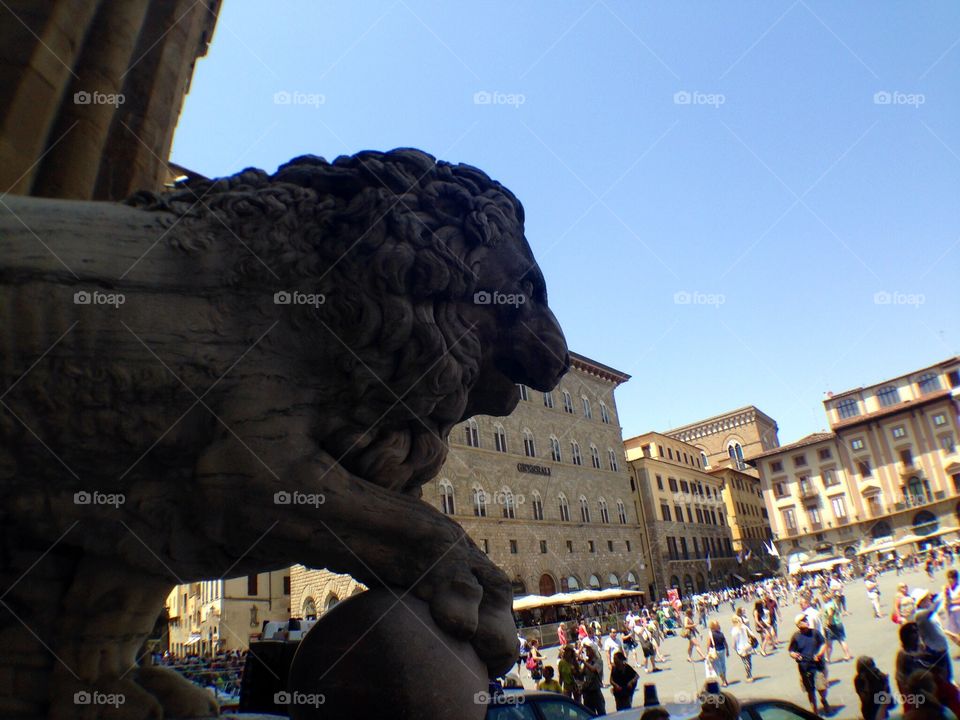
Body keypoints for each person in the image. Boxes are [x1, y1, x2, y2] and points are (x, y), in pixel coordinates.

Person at [788, 613, 830, 714]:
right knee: (810, 691)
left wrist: (820, 654)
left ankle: (823, 699)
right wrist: (795, 655)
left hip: (817, 665)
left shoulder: (815, 633)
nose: (806, 621)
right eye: (803, 620)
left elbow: (824, 644)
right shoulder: (796, 636)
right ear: (798, 625)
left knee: (822, 687)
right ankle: (814, 711)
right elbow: (791, 651)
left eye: (806, 619)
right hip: (804, 667)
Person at [913, 588, 953, 681]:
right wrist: (942, 594)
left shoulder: (928, 613)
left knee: (948, 676)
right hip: (934, 650)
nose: (929, 598)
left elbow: (945, 607)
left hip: (941, 647)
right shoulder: (920, 615)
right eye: (927, 598)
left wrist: (947, 596)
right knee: (943, 678)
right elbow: (933, 608)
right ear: (921, 601)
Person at [854, 656, 895, 720]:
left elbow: (886, 695)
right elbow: (865, 699)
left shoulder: (878, 675)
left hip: (877, 708)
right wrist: (866, 683)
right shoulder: (860, 680)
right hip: (872, 710)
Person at [820, 590, 852, 662]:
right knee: (840, 640)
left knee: (829, 642)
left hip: (833, 625)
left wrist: (828, 622)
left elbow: (830, 613)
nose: (822, 599)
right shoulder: (832, 603)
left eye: (823, 597)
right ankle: (847, 654)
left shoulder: (828, 605)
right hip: (838, 622)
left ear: (826, 597)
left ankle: (828, 658)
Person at [896, 622, 925, 697]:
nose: (917, 634)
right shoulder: (903, 654)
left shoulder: (922, 647)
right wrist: (905, 695)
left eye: (917, 631)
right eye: (914, 632)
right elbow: (899, 676)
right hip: (912, 690)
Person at [580, 644, 606, 716]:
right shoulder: (587, 662)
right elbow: (581, 674)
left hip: (595, 691)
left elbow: (594, 669)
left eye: (588, 649)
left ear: (593, 651)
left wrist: (583, 661)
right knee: (589, 714)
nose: (586, 651)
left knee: (601, 713)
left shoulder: (599, 661)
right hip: (587, 691)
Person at [730, 614, 755, 683]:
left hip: (740, 648)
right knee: (749, 661)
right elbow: (752, 635)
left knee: (745, 662)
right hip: (748, 645)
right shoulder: (744, 627)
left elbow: (734, 641)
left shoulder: (734, 630)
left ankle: (749, 676)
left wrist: (734, 648)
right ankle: (749, 674)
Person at [705, 619, 730, 687]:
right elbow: (725, 643)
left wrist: (707, 653)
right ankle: (725, 679)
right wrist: (727, 650)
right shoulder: (721, 634)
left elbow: (708, 644)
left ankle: (724, 681)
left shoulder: (710, 635)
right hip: (722, 650)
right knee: (723, 665)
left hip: (715, 652)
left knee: (718, 667)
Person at [944, 569, 960, 637]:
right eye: (948, 579)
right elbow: (946, 602)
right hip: (952, 614)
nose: (949, 581)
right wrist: (946, 594)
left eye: (952, 579)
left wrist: (952, 603)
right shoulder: (947, 589)